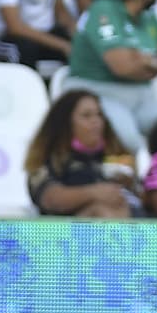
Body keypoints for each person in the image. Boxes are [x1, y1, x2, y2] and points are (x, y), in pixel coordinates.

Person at [63, 0, 157, 153]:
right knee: (127, 140)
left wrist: (143, 60)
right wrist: (153, 61)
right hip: (98, 94)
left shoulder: (149, 16)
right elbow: (121, 67)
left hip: (143, 96)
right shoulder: (102, 9)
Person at [25, 89, 137, 217]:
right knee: (101, 211)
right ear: (65, 123)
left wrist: (129, 184)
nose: (96, 121)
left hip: (134, 226)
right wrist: (94, 193)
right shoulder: (49, 159)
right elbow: (50, 199)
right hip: (71, 232)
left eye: (99, 115)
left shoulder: (116, 155)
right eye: (86, 115)